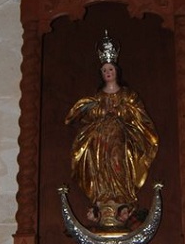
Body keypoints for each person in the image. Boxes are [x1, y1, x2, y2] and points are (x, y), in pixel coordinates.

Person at [65, 31, 159, 231]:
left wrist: (121, 112)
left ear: (116, 71)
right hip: (99, 142)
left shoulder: (127, 95)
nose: (108, 73)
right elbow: (87, 117)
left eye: (110, 69)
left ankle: (121, 196)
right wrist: (97, 112)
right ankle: (103, 196)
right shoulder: (97, 97)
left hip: (120, 139)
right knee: (101, 166)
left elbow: (139, 116)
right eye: (104, 70)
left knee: (117, 162)